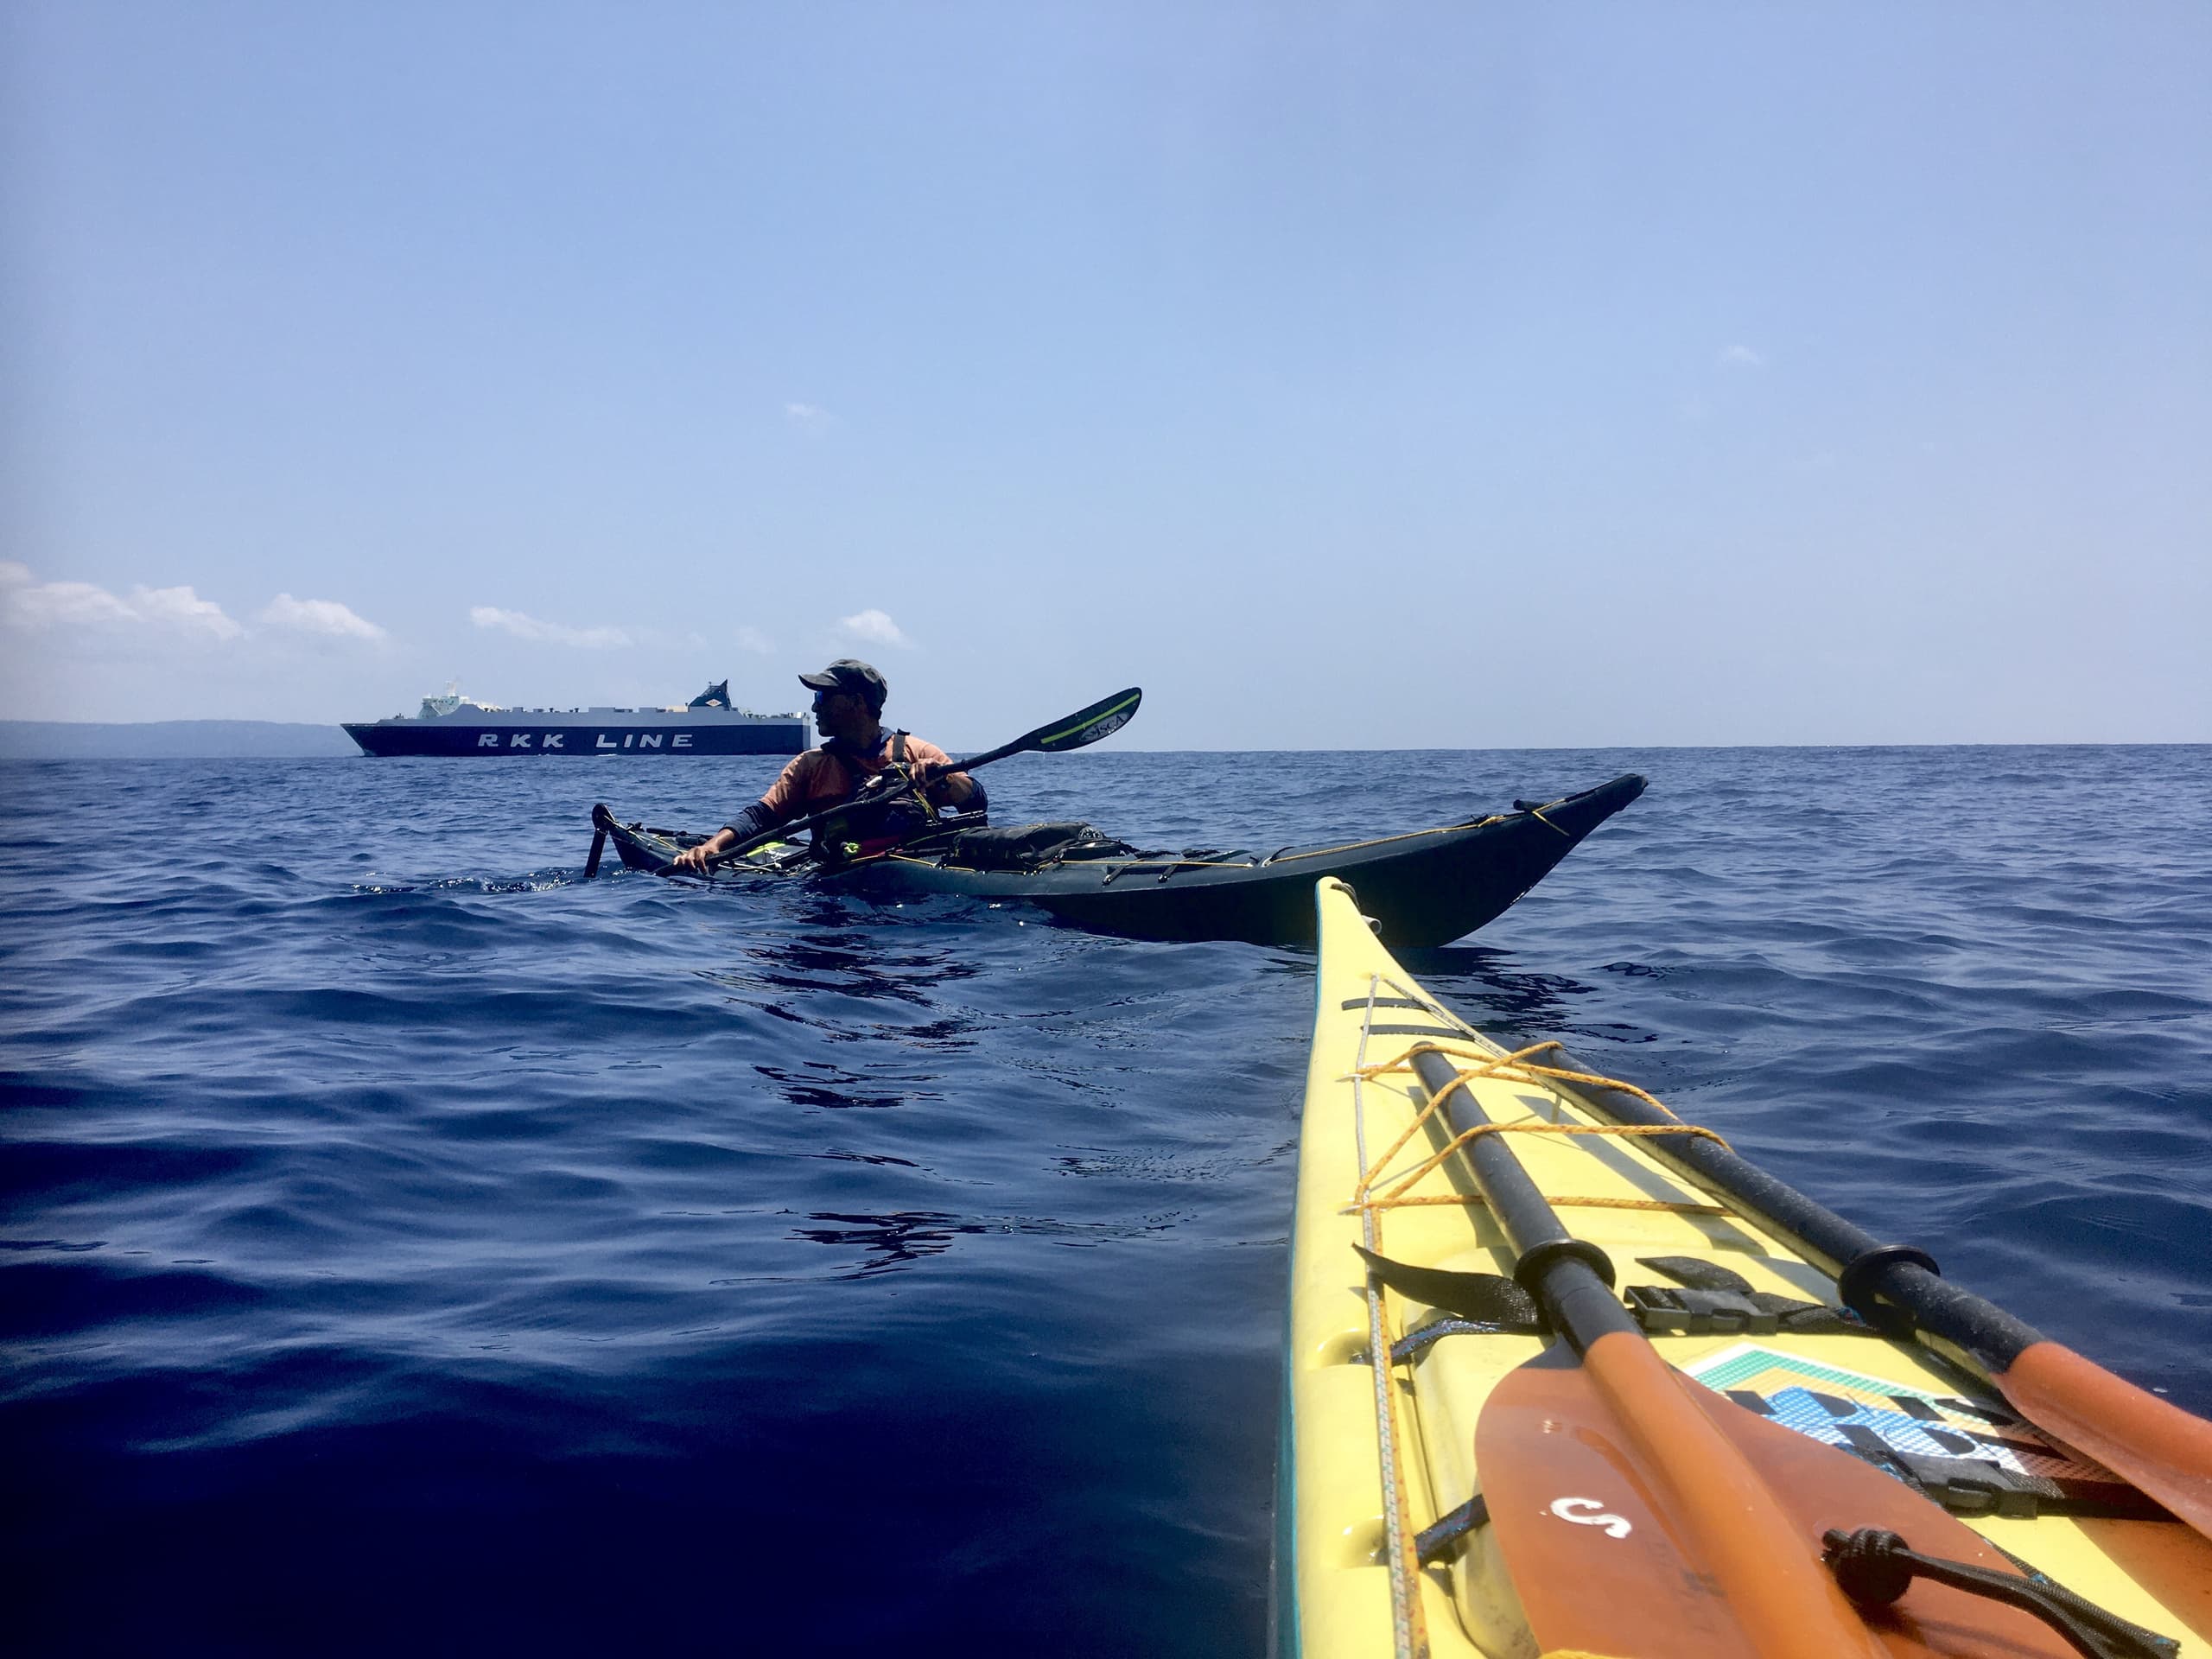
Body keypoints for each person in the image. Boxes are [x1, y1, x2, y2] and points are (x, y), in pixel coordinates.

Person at [671, 659, 983, 872]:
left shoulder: (916, 751)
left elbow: (976, 801)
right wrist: (712, 846)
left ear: (857, 703)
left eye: (823, 696)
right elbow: (761, 817)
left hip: (914, 879)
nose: (814, 706)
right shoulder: (810, 766)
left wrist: (942, 780)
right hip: (837, 888)